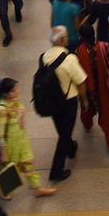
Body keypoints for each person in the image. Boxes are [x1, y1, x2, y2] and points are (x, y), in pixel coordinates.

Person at [0, 78, 58, 197]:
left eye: (16, 89)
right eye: (13, 91)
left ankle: (38, 188)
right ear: (5, 93)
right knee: (11, 170)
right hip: (10, 147)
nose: (16, 92)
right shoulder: (1, 110)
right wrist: (3, 152)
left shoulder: (15, 102)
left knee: (28, 164)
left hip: (21, 142)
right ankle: (1, 191)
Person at [42, 26, 88, 183]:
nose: (67, 38)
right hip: (68, 102)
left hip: (52, 101)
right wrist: (85, 100)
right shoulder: (69, 59)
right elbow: (81, 82)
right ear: (61, 40)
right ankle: (56, 171)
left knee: (62, 129)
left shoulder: (44, 57)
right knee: (65, 134)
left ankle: (70, 148)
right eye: (66, 37)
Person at [75, 23, 109, 156]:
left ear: (81, 37)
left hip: (88, 92)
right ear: (94, 34)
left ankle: (87, 126)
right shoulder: (105, 46)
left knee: (86, 112)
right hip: (105, 91)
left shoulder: (79, 51)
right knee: (108, 118)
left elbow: (78, 75)